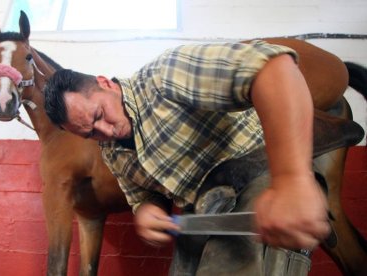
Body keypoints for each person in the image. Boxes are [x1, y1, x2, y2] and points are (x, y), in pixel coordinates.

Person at [44, 40, 330, 275]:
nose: (106, 131)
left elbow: (273, 67)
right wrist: (146, 210)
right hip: (205, 208)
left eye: (99, 115)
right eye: (90, 134)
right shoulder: (112, 151)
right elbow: (141, 196)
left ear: (105, 83)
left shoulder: (163, 77)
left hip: (256, 169)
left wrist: (292, 180)